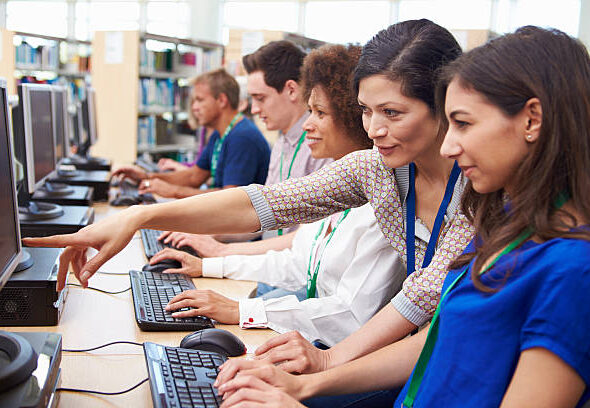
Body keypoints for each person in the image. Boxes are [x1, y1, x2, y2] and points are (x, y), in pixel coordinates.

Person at [23, 22, 471, 406]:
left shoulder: (477, 191)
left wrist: (325, 364)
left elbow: (424, 296)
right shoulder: (378, 169)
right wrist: (138, 216)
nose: (374, 130)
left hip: (446, 369)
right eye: (367, 111)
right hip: (410, 349)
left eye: (392, 113)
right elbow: (261, 204)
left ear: (444, 103)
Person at [214, 26, 590, 408]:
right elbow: (436, 338)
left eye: (463, 123)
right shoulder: (507, 226)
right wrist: (304, 387)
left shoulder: (572, 269)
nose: (448, 145)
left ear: (531, 120)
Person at [152, 44, 403, 346]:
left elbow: (350, 316)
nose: (308, 123)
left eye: (320, 113)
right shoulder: (331, 185)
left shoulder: (383, 208)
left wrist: (241, 308)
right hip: (314, 323)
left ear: (349, 115)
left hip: (336, 344)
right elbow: (297, 263)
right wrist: (210, 265)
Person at [158, 40, 333, 260]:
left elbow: (308, 239)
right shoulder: (281, 143)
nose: (254, 109)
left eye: (260, 98)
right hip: (267, 260)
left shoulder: (322, 147)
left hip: (287, 270)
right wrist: (205, 234)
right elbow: (263, 219)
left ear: (291, 90)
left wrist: (221, 250)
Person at [112, 68, 270, 198]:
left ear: (222, 101)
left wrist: (173, 191)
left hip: (240, 233)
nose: (194, 107)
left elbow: (231, 198)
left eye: (200, 100)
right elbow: (194, 177)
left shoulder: (242, 137)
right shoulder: (219, 134)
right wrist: (146, 177)